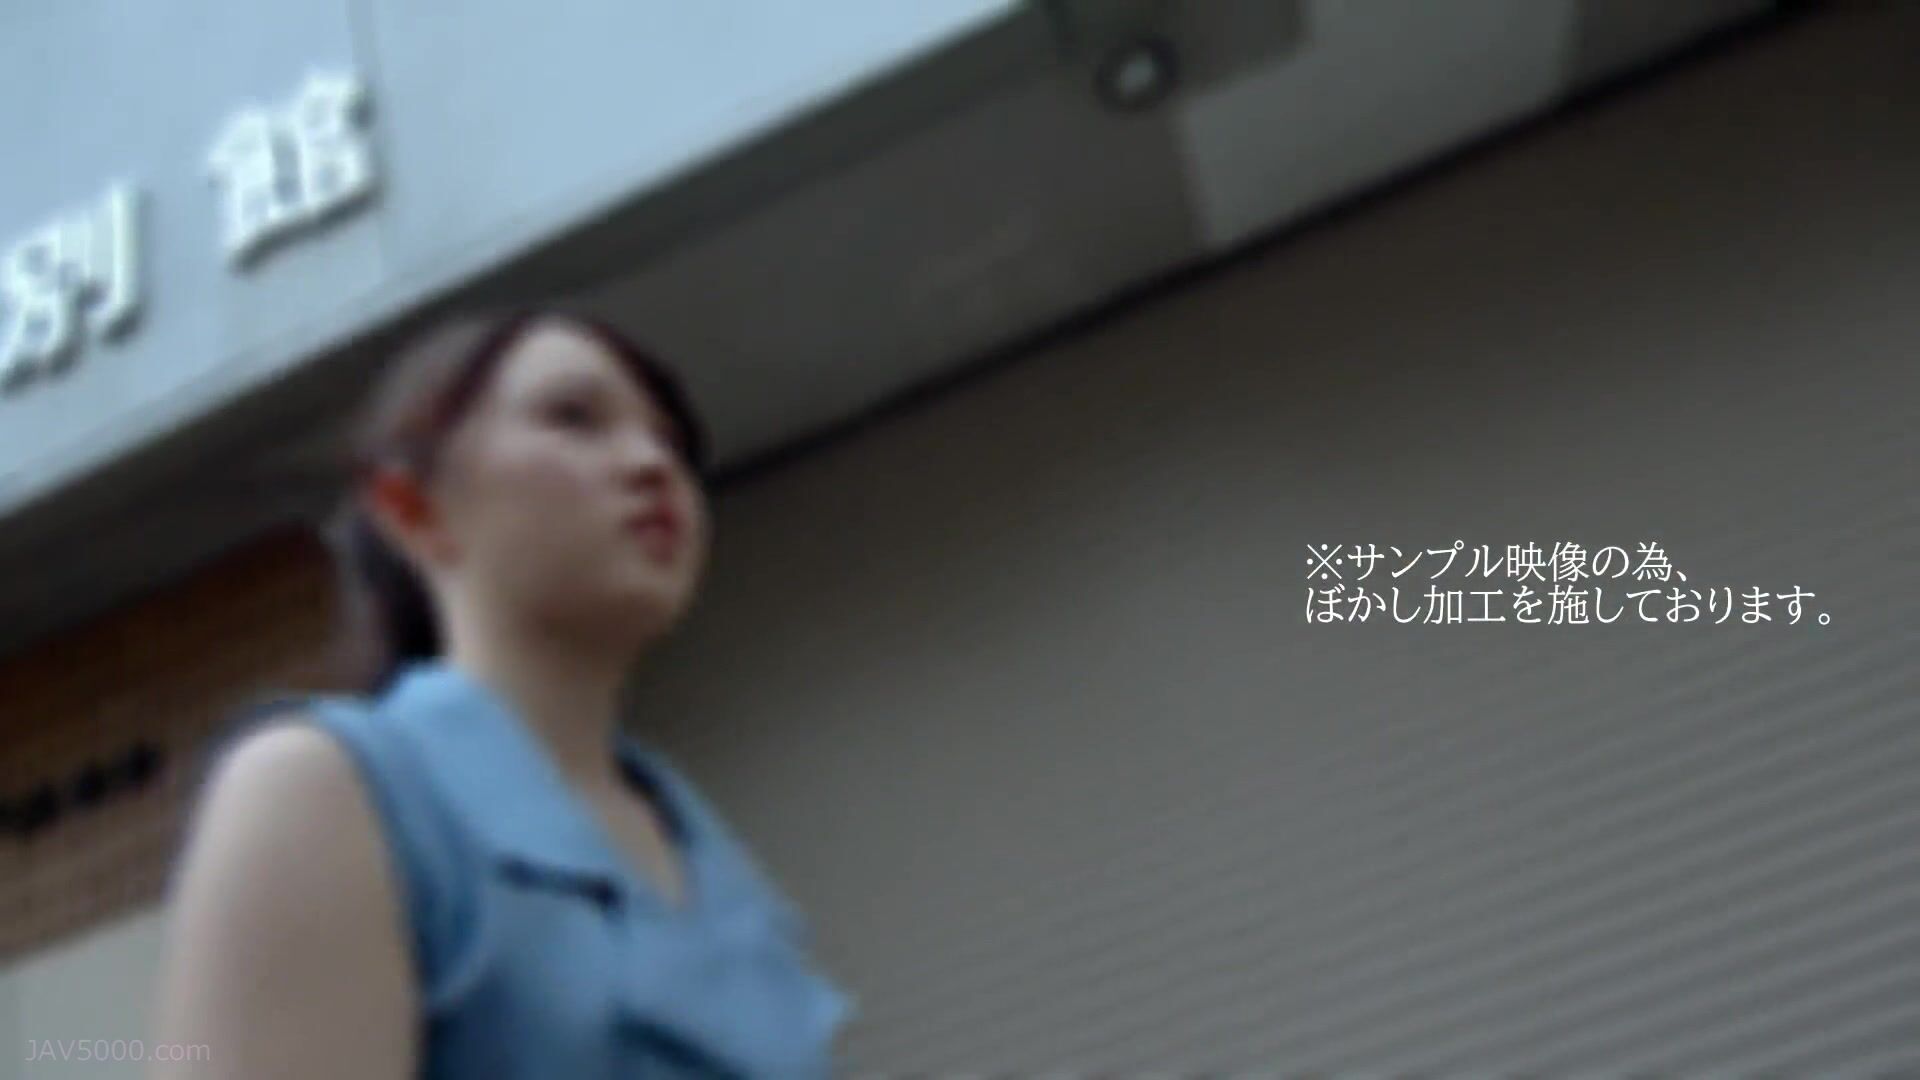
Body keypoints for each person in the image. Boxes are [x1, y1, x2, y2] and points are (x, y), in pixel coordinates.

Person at [149, 307, 854, 1078]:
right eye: (574, 418)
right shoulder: (320, 790)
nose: (651, 464)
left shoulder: (724, 870)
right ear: (413, 509)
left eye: (672, 444)